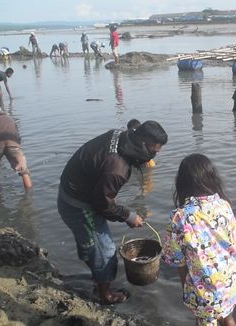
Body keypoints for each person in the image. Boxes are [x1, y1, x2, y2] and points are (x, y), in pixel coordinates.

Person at [57, 120, 167, 305]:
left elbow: (101, 186)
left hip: (73, 193)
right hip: (78, 205)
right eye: (153, 151)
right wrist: (128, 216)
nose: (153, 156)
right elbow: (103, 204)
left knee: (92, 245)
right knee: (105, 250)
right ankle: (105, 295)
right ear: (141, 144)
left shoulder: (119, 135)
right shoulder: (118, 169)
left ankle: (97, 275)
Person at [162, 153, 236, 326]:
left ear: (182, 183)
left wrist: (187, 289)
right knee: (227, 316)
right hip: (231, 286)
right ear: (212, 178)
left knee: (204, 319)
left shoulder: (179, 217)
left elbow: (176, 260)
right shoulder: (224, 205)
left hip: (204, 295)